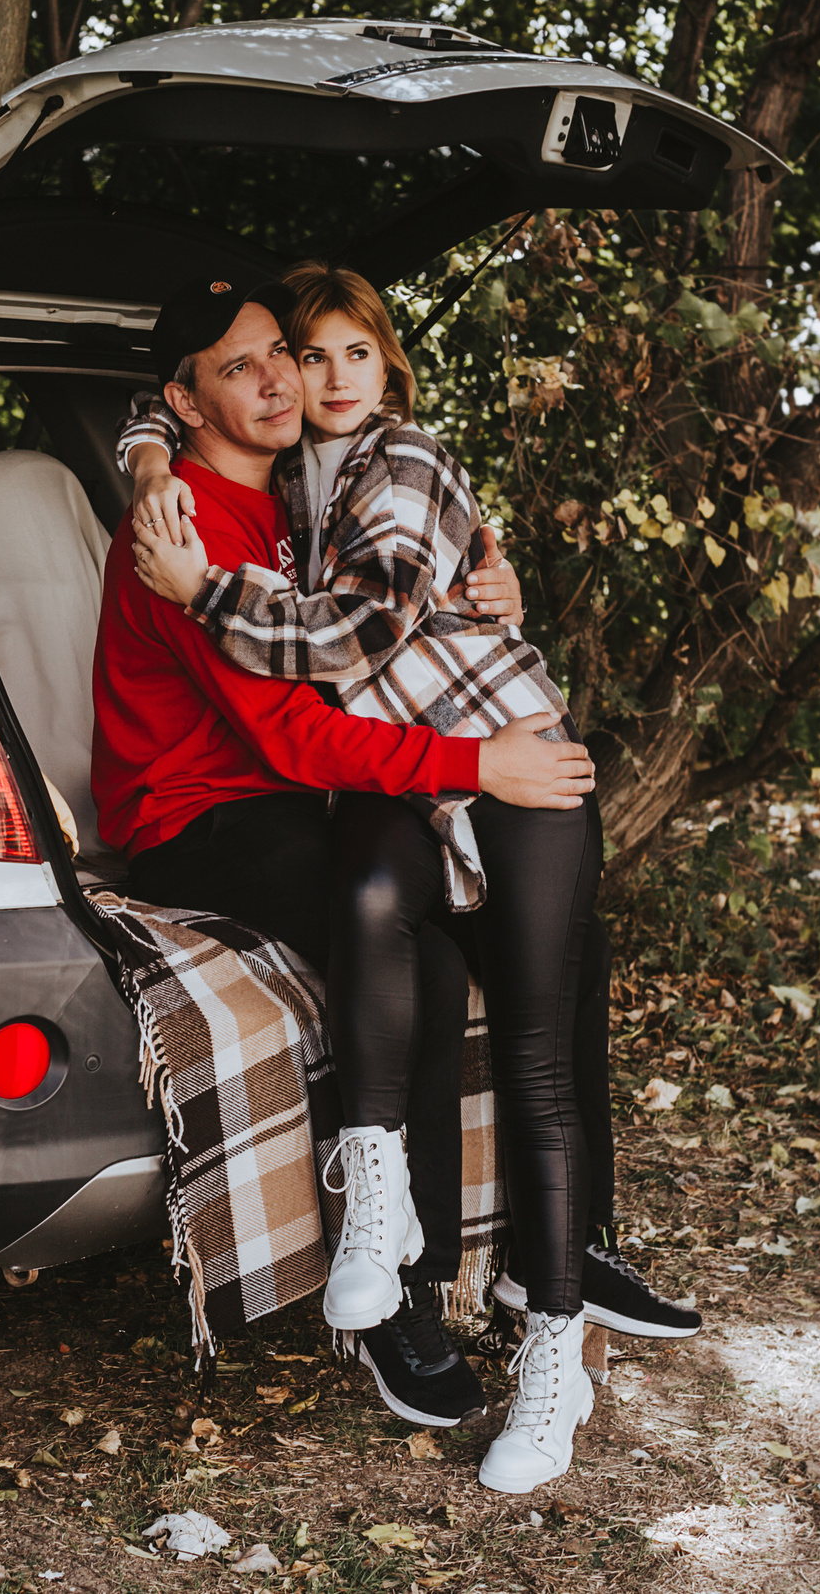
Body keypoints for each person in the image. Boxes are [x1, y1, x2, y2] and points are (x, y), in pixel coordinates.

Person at [126, 264, 611, 1493]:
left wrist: (484, 564)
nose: (288, 378)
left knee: (513, 981)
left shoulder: (335, 474)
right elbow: (295, 727)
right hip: (216, 803)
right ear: (191, 400)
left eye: (292, 356)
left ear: (382, 365)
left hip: (403, 770)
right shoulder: (197, 516)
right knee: (416, 943)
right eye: (256, 363)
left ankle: (519, 1279)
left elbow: (377, 592)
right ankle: (400, 1284)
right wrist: (149, 475)